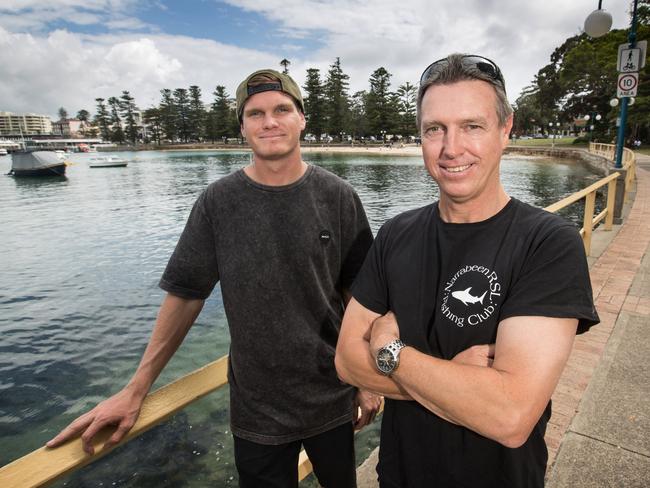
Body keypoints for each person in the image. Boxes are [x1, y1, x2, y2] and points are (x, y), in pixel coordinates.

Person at [47, 68, 381, 488]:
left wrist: (369, 380)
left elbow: (361, 297)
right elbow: (185, 297)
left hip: (332, 394)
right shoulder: (218, 203)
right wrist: (136, 388)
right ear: (242, 127)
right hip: (257, 409)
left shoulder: (338, 196)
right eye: (255, 113)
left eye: (282, 109)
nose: (270, 121)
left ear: (302, 119)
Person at [335, 54, 599, 487]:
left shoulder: (547, 244)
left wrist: (390, 352)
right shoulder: (396, 235)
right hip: (399, 476)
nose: (451, 148)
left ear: (505, 129)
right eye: (434, 129)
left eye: (472, 126)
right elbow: (347, 360)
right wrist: (457, 380)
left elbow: (510, 415)